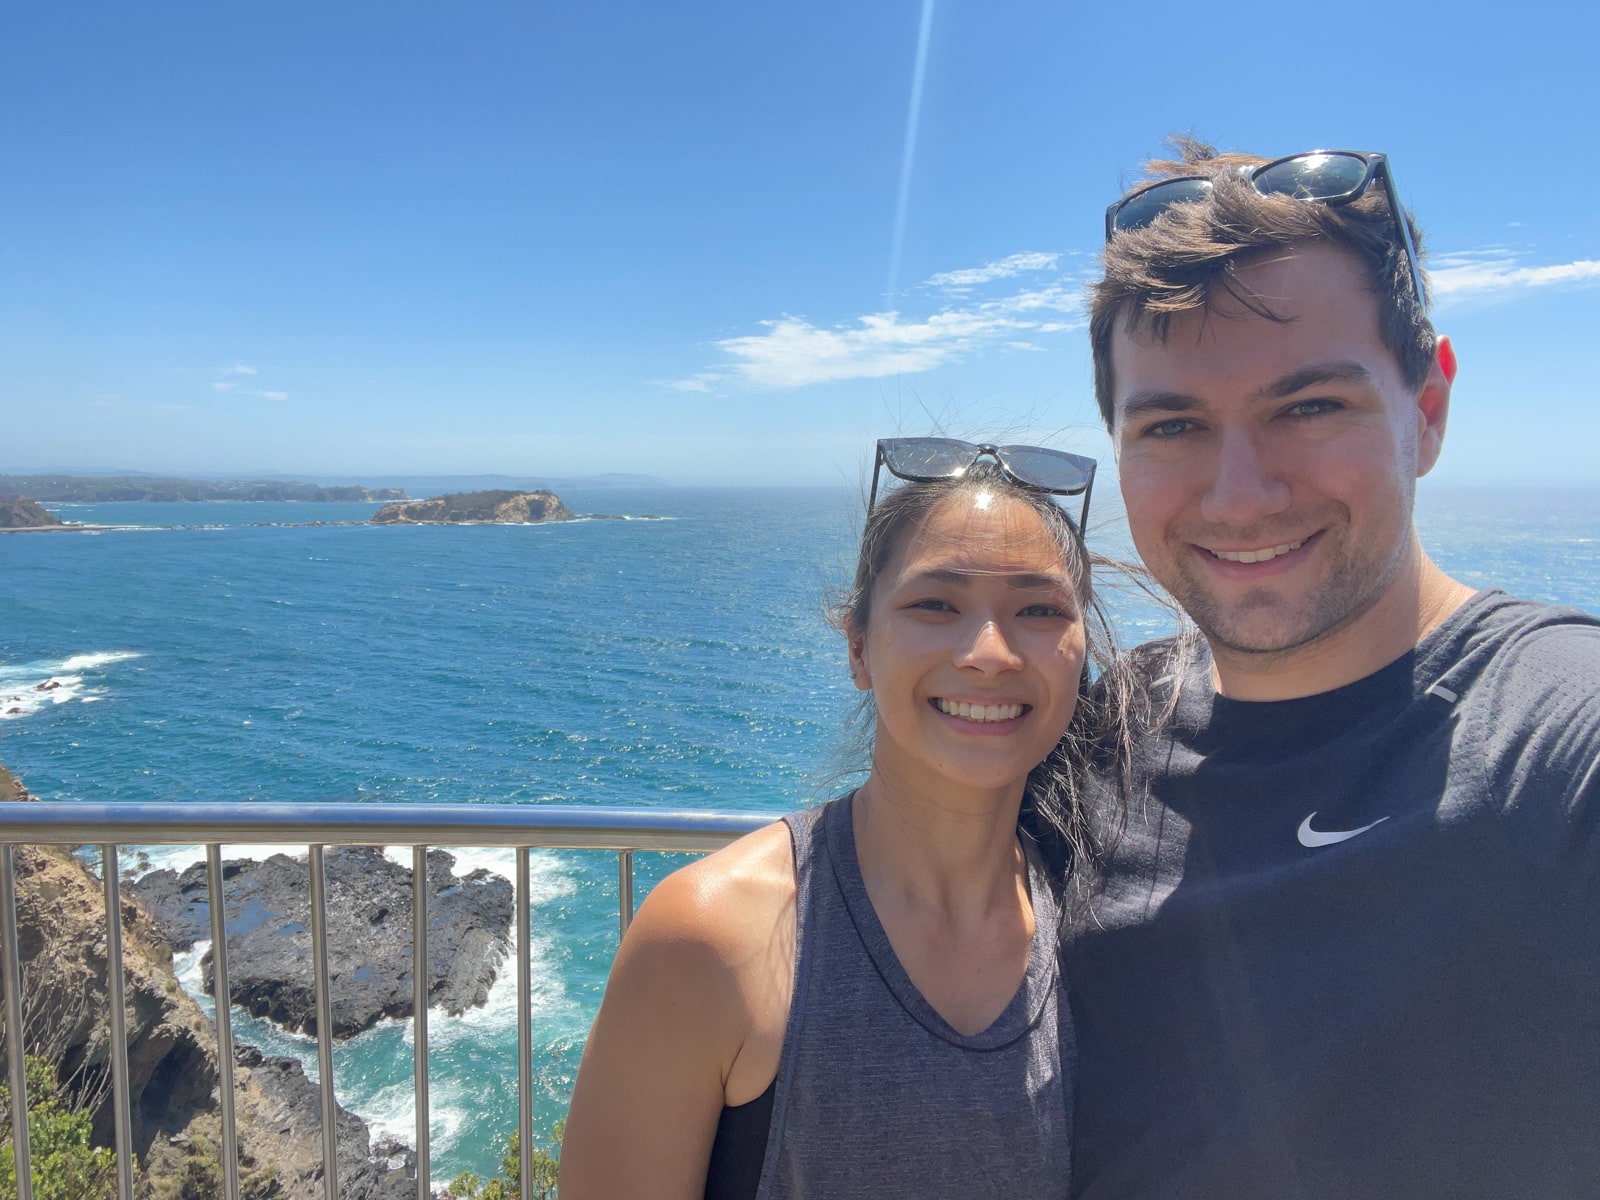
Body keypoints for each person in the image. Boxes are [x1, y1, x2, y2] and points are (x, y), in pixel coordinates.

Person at [1064, 140, 1600, 1198]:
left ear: (1427, 413)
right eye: (1172, 424)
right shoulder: (1095, 743)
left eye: (1308, 407)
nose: (1240, 495)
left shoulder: (1555, 738)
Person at [560, 438, 1122, 1199]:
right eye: (935, 603)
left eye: (1038, 609)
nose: (989, 652)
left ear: (1079, 653)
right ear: (858, 647)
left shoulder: (1099, 916)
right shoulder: (716, 936)